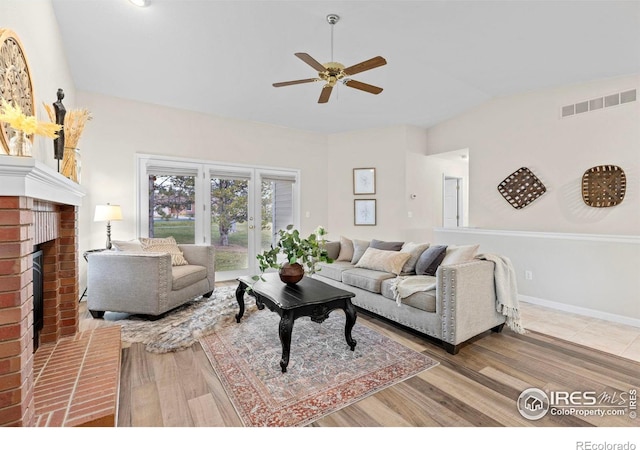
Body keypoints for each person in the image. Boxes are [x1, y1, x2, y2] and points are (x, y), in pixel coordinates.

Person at [53, 88, 66, 160]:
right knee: (58, 141)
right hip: (57, 127)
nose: (62, 95)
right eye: (61, 94)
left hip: (62, 128)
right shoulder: (56, 104)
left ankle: (60, 156)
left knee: (62, 141)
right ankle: (57, 155)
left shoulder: (62, 105)